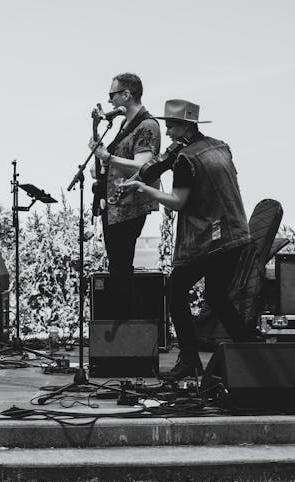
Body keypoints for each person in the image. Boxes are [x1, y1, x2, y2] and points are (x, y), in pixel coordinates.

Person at [120, 99, 253, 379]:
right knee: (217, 297)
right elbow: (161, 165)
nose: (166, 132)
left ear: (184, 126)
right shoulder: (220, 146)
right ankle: (253, 351)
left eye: (170, 126)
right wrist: (147, 172)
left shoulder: (185, 159)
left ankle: (190, 361)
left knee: (175, 292)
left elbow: (178, 201)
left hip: (210, 239)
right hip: (237, 234)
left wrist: (143, 188)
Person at [89, 73, 161, 319]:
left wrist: (106, 157)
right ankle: (122, 326)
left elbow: (142, 165)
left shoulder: (147, 126)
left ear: (127, 95)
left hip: (130, 205)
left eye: (112, 95)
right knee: (117, 267)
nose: (109, 101)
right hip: (115, 204)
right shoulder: (124, 125)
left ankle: (127, 328)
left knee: (121, 268)